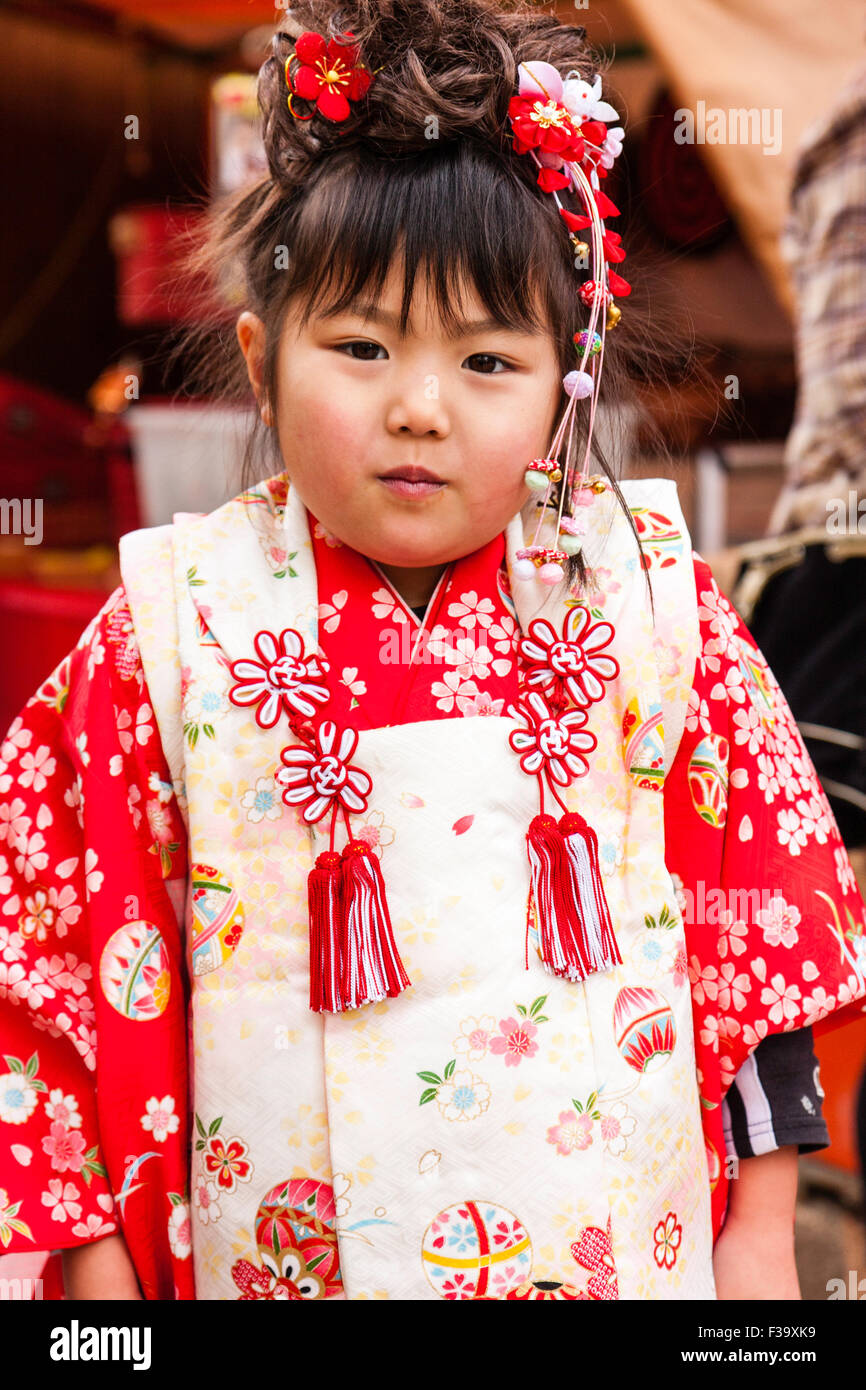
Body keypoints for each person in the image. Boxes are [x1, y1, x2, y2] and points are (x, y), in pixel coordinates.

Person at [1, 0, 865, 1303]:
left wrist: (758, 1237)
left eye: (483, 357)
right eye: (358, 345)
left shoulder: (649, 609)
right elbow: (55, 959)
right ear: (261, 352)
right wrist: (96, 1265)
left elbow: (755, 940)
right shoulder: (172, 629)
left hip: (619, 1254)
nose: (416, 403)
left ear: (568, 377)